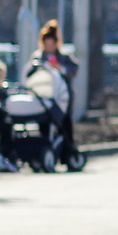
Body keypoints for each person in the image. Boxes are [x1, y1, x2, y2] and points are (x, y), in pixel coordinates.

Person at [34, 19, 79, 163]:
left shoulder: (64, 57)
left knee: (65, 125)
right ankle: (44, 153)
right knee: (44, 124)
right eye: (46, 45)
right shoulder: (38, 58)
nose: (49, 48)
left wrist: (61, 68)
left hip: (62, 96)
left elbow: (74, 69)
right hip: (44, 96)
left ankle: (67, 154)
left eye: (51, 45)